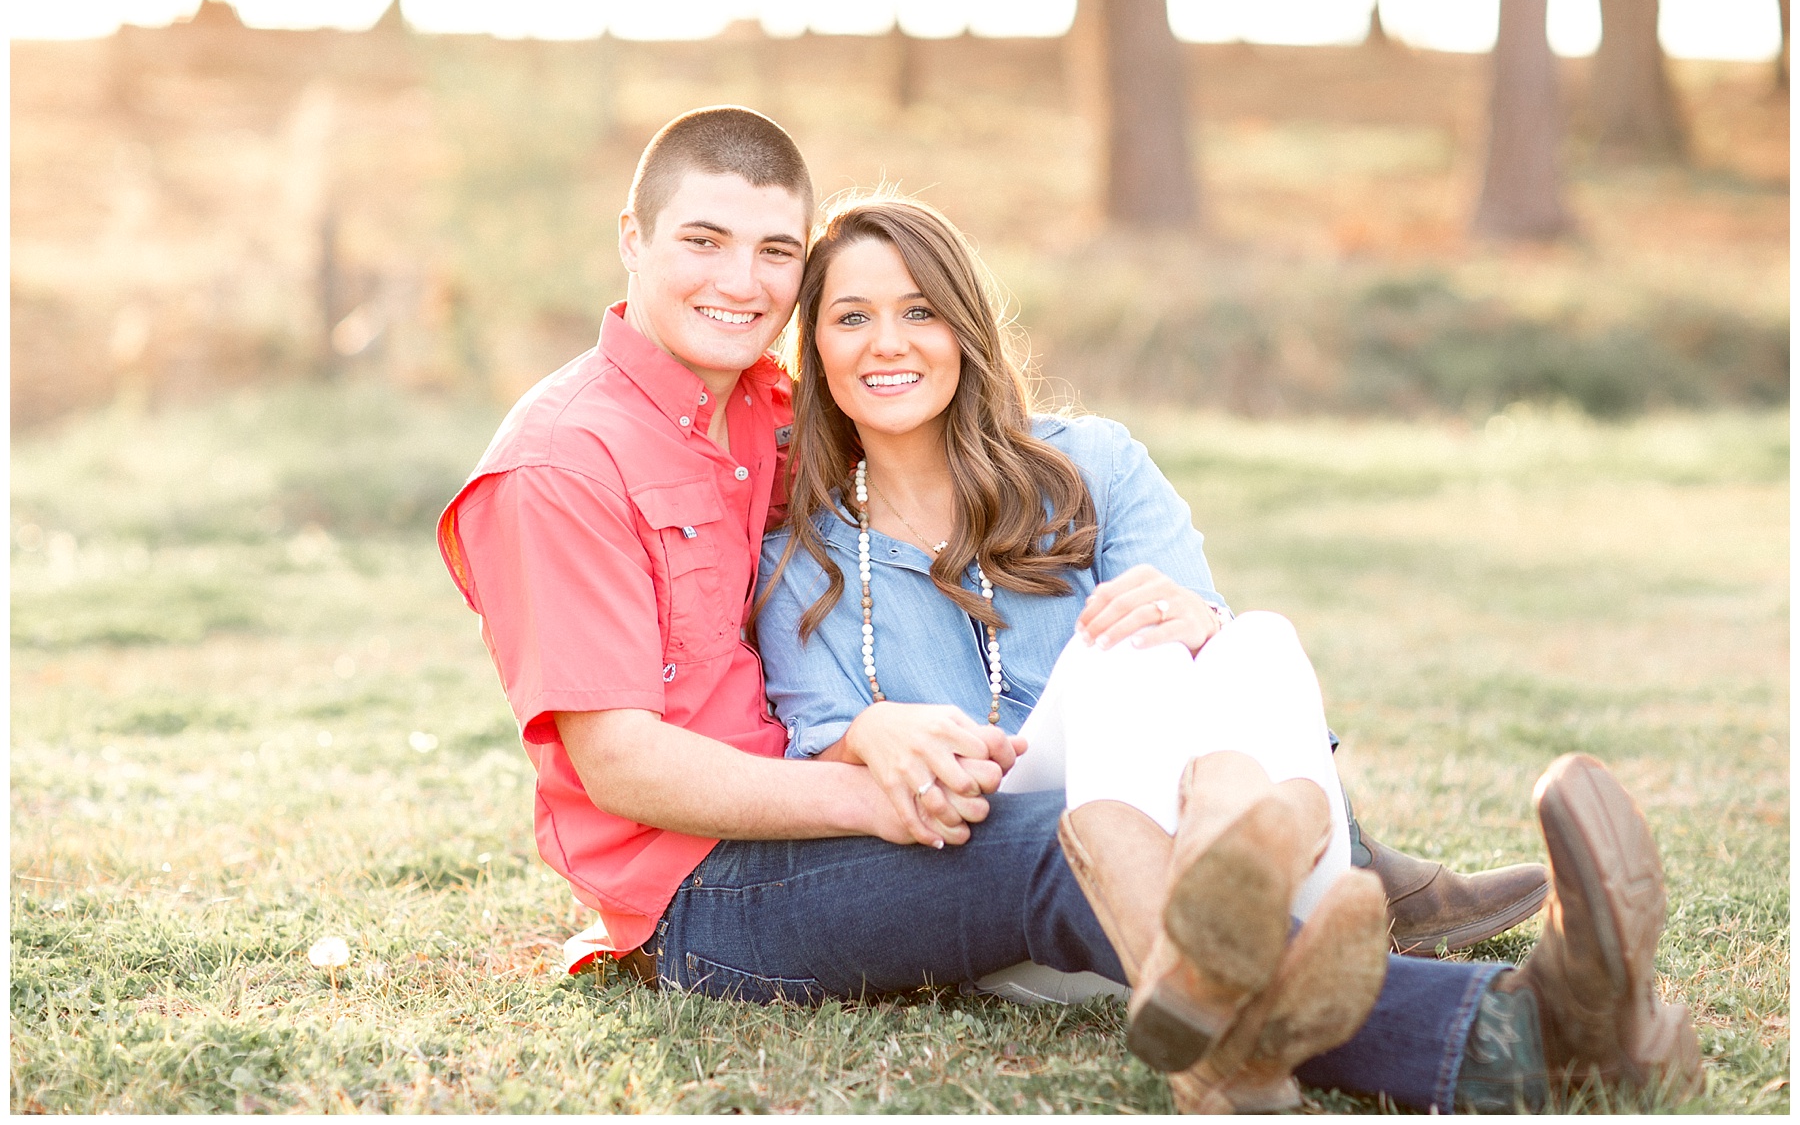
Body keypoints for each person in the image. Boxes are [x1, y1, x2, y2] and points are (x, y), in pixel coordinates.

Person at [435, 106, 1693, 1111]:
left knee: (1180, 700)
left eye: (775, 251)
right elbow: (621, 761)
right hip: (710, 893)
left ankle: (1352, 901)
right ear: (633, 240)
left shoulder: (770, 408)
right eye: (703, 241)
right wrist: (870, 787)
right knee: (1085, 838)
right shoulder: (560, 464)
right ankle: (1518, 1035)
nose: (743, 280)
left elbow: (912, 403)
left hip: (832, 807)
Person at [749, 191, 1702, 1110]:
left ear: (964, 326)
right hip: (1040, 900)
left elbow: (1211, 664)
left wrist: (1197, 620)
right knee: (1125, 644)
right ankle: (1239, 909)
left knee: (1249, 636)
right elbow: (819, 759)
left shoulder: (1093, 464)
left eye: (919, 309)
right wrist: (871, 733)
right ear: (813, 348)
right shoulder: (801, 558)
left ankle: (1226, 924)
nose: (888, 341)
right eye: (852, 316)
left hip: (1179, 893)